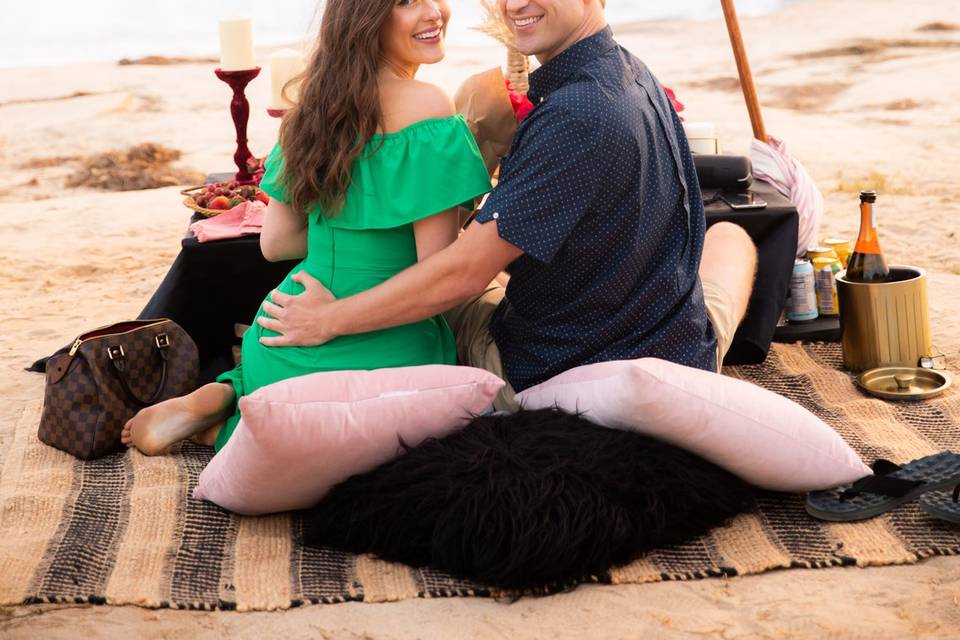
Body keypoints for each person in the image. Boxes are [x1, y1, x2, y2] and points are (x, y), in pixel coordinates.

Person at [254, 0, 758, 412]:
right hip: (678, 341)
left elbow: (456, 277)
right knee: (733, 238)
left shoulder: (574, 115)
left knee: (457, 288)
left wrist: (329, 320)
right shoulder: (630, 71)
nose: (513, 4)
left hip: (559, 369)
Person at [122, 0, 491, 455]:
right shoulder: (429, 106)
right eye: (406, 2)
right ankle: (217, 429)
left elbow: (275, 244)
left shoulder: (310, 110)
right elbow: (435, 269)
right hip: (385, 342)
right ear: (367, 19)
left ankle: (226, 393)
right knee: (407, 431)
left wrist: (341, 228)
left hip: (281, 336)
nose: (434, 12)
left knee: (285, 402)